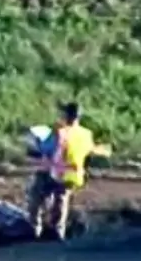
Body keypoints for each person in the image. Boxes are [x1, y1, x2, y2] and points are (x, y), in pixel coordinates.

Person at [26, 102, 107, 241]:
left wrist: (36, 143)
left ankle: (35, 228)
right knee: (62, 199)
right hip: (74, 174)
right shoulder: (86, 134)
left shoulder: (60, 132)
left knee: (36, 196)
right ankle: (58, 230)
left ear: (66, 115)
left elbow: (46, 149)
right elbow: (89, 152)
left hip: (55, 171)